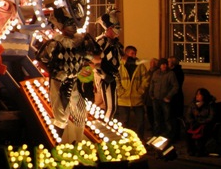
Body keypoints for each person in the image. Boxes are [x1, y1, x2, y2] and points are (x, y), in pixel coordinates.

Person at [36, 7, 102, 144]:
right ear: (62, 27)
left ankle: (78, 143)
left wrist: (86, 56)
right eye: (68, 23)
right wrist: (54, 73)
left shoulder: (81, 41)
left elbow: (97, 58)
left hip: (75, 81)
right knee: (60, 116)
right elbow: (41, 59)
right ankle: (55, 145)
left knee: (80, 112)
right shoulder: (55, 43)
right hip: (60, 83)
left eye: (73, 22)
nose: (72, 26)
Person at [116, 45, 150, 139]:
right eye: (132, 53)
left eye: (135, 53)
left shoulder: (140, 66)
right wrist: (121, 91)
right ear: (126, 54)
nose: (134, 55)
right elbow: (116, 79)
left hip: (137, 98)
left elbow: (146, 79)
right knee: (124, 122)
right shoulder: (119, 66)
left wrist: (140, 91)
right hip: (123, 99)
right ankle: (123, 140)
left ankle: (140, 139)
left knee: (140, 122)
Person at [148, 57, 179, 139]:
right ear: (160, 65)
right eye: (162, 64)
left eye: (165, 64)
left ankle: (168, 135)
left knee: (167, 118)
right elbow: (152, 84)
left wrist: (169, 96)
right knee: (156, 118)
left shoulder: (170, 74)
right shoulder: (156, 73)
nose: (164, 66)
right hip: (156, 99)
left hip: (165, 99)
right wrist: (151, 94)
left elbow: (175, 86)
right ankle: (156, 133)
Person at [184, 87, 217, 156]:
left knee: (204, 130)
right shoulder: (193, 104)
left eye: (199, 94)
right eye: (196, 94)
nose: (197, 96)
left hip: (204, 123)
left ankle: (200, 150)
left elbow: (211, 117)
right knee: (187, 130)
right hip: (195, 123)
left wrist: (202, 122)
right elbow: (188, 115)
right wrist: (192, 121)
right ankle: (191, 149)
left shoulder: (209, 105)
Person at [168, 56, 185, 140]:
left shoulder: (176, 73)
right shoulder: (174, 72)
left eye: (169, 62)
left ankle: (175, 135)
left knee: (174, 117)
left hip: (175, 98)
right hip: (174, 97)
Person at [144, 58, 159, 135]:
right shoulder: (149, 71)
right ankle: (152, 125)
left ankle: (155, 127)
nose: (151, 64)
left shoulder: (156, 72)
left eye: (152, 62)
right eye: (150, 62)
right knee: (149, 111)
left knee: (154, 112)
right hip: (148, 94)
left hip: (153, 95)